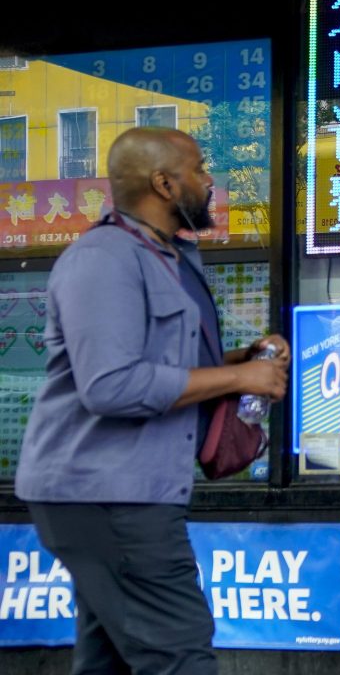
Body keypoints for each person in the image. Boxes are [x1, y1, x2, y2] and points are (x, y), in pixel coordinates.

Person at [15, 127, 291, 675]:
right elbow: (111, 386)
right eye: (198, 168)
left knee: (110, 660)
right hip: (106, 495)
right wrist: (238, 382)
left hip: (125, 492)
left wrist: (245, 361)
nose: (210, 180)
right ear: (164, 184)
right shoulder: (104, 259)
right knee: (179, 654)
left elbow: (163, 365)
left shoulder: (169, 257)